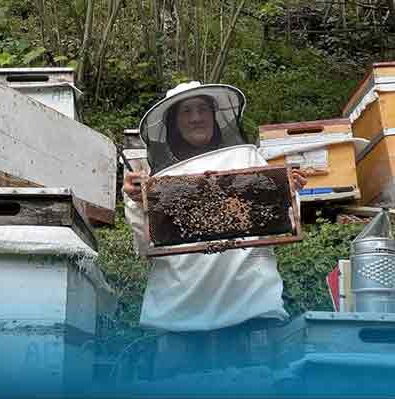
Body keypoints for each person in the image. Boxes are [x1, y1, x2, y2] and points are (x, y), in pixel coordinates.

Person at [122, 82, 306, 376]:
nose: (196, 117)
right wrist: (134, 201)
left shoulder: (246, 159)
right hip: (179, 318)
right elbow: (146, 247)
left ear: (216, 115)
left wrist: (287, 191)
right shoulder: (157, 180)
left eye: (203, 109)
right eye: (186, 111)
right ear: (173, 123)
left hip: (250, 309)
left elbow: (280, 223)